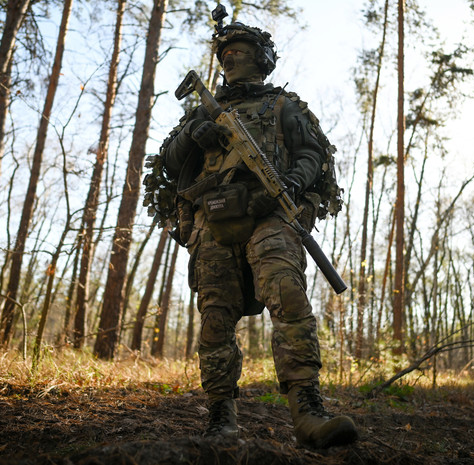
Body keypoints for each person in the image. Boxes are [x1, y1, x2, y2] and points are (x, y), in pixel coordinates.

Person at [149, 19, 357, 449]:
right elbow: (169, 163)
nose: (232, 56)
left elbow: (314, 154)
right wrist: (193, 133)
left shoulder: (284, 106)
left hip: (270, 215)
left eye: (241, 50)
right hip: (212, 221)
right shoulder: (202, 111)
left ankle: (307, 410)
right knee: (215, 318)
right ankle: (220, 417)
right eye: (226, 52)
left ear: (261, 59)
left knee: (287, 293)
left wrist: (292, 185)